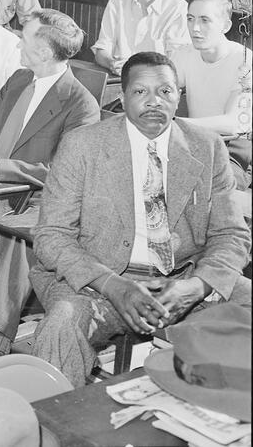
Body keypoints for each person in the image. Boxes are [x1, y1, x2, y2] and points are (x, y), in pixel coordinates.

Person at [30, 52, 251, 387]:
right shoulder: (83, 145)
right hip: (101, 281)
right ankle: (55, 427)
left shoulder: (207, 147)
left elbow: (231, 234)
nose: (154, 103)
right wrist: (112, 285)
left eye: (165, 92)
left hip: (182, 280)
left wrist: (196, 286)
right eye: (140, 92)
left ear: (179, 97)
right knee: (62, 323)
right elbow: (51, 235)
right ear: (122, 96)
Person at [0, 9, 100, 354]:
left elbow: (65, 172)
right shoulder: (18, 79)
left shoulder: (80, 104)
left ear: (44, 52)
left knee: (23, 234)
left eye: (25, 37)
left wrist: (1, 168)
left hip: (30, 196)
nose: (17, 40)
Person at [170, 0, 252, 184]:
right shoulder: (184, 53)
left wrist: (176, 123)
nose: (195, 28)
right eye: (190, 19)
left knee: (200, 185)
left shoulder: (244, 61)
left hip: (233, 151)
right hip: (194, 142)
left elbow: (233, 123)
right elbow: (163, 89)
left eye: (204, 20)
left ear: (225, 25)